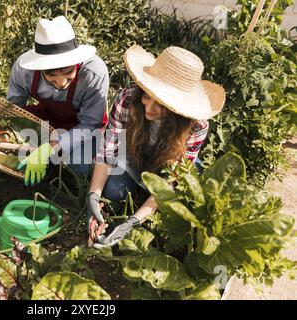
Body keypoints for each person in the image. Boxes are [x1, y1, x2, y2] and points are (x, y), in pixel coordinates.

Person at [87, 45, 226, 248]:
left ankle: (145, 202)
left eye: (160, 105)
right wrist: (93, 195)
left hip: (167, 163)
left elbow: (169, 181)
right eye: (146, 96)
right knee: (113, 191)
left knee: (185, 198)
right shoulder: (127, 100)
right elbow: (108, 152)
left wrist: (133, 222)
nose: (148, 109)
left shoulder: (196, 126)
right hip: (135, 155)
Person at [6, 16, 109, 186]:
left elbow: (90, 124)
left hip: (82, 127)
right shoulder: (24, 70)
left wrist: (50, 148)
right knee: (15, 153)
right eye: (51, 75)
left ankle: (58, 162)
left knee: (80, 167)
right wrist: (2, 138)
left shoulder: (94, 74)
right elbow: (14, 109)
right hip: (47, 118)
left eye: (68, 72)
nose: (61, 83)